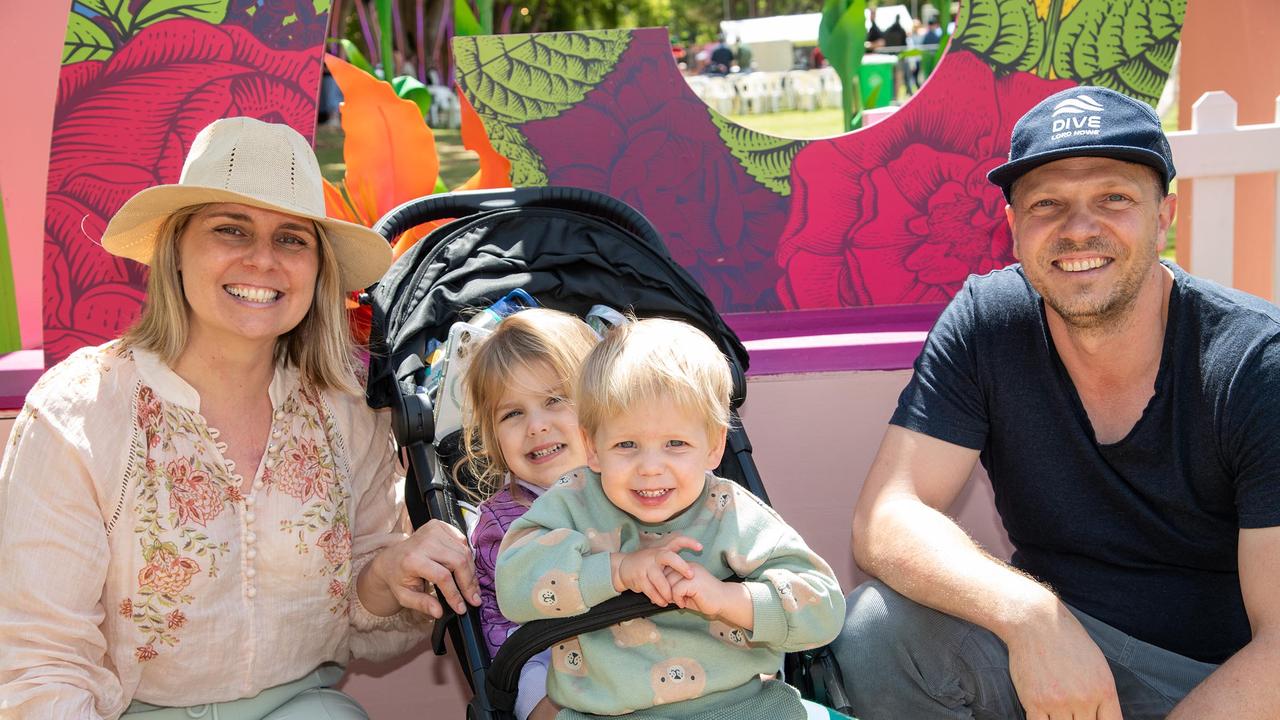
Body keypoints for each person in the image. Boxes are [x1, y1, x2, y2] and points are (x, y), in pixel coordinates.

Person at [0, 117, 481, 719]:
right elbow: (40, 663)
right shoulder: (78, 414)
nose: (262, 260)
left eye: (291, 239)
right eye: (231, 230)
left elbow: (363, 610)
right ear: (175, 249)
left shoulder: (343, 410)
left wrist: (390, 570)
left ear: (317, 269)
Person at [834, 85, 1280, 719]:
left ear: (1164, 216)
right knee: (876, 631)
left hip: (1212, 683)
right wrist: (1031, 618)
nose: (1079, 229)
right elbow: (886, 515)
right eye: (1048, 203)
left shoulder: (1256, 362)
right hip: (1052, 659)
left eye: (1114, 198)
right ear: (1013, 227)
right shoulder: (988, 322)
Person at [495, 318, 846, 719]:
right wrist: (618, 570)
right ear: (592, 447)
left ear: (714, 447)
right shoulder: (572, 505)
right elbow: (513, 584)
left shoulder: (727, 512)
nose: (650, 467)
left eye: (675, 444)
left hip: (740, 706)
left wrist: (727, 599)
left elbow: (824, 609)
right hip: (605, 714)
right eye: (626, 444)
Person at [462, 308, 599, 720]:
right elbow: (514, 640)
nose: (536, 426)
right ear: (493, 437)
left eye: (555, 400)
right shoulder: (504, 527)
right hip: (555, 663)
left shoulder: (647, 484)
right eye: (513, 413)